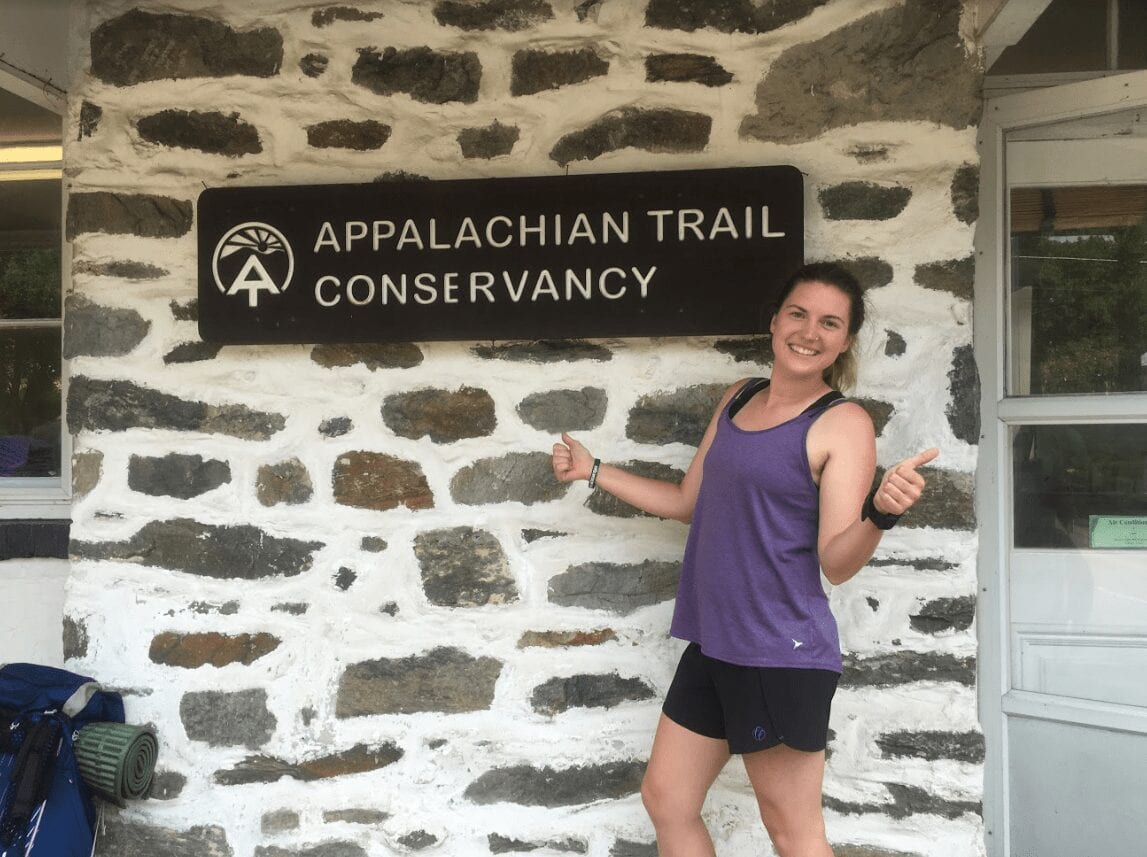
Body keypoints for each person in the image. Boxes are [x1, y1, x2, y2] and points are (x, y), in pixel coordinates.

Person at [551, 262, 938, 857]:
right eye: (799, 313)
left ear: (845, 341)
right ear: (774, 319)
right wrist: (594, 471)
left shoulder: (843, 423)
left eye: (830, 323)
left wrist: (880, 513)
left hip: (779, 653)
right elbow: (687, 501)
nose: (810, 332)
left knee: (792, 832)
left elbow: (836, 563)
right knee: (667, 799)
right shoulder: (740, 397)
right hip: (714, 643)